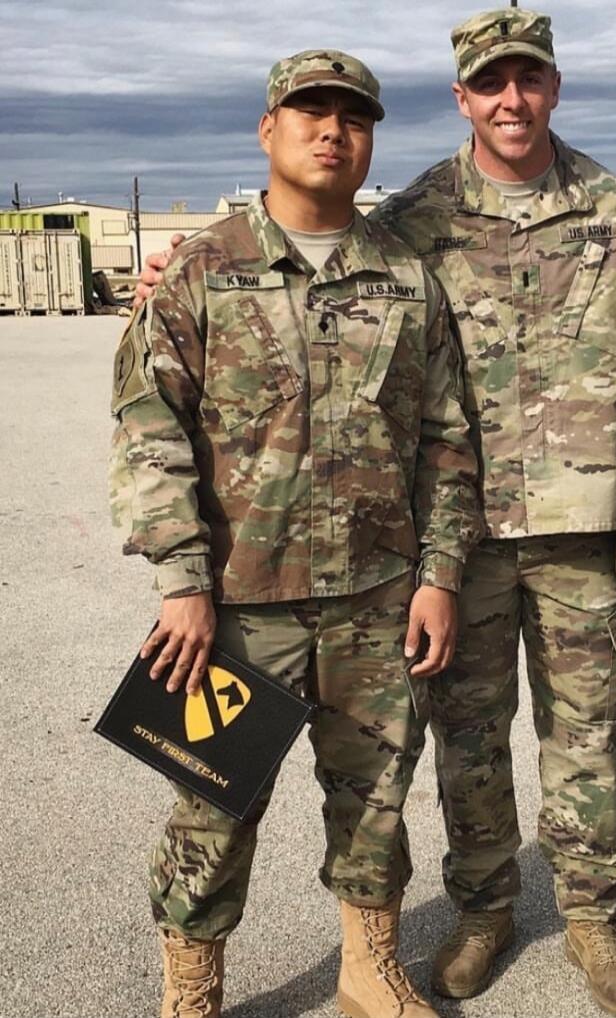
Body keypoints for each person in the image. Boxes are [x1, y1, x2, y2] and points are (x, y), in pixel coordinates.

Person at [109, 50, 481, 1018]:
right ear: (267, 129)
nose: (332, 131)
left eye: (353, 117)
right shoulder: (203, 267)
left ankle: (369, 968)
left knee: (375, 800)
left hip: (376, 596)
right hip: (239, 601)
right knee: (214, 800)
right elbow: (151, 428)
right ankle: (192, 984)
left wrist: (440, 574)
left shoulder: (405, 276)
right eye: (309, 112)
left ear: (370, 139)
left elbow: (446, 436)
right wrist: (183, 583)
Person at [364, 10, 616, 1014]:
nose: (512, 99)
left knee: (587, 735)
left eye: (529, 80)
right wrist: (171, 284)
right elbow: (326, 302)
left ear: (555, 87)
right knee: (468, 737)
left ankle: (591, 916)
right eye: (491, 83)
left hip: (590, 534)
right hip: (457, 542)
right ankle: (486, 906)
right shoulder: (412, 220)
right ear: (462, 97)